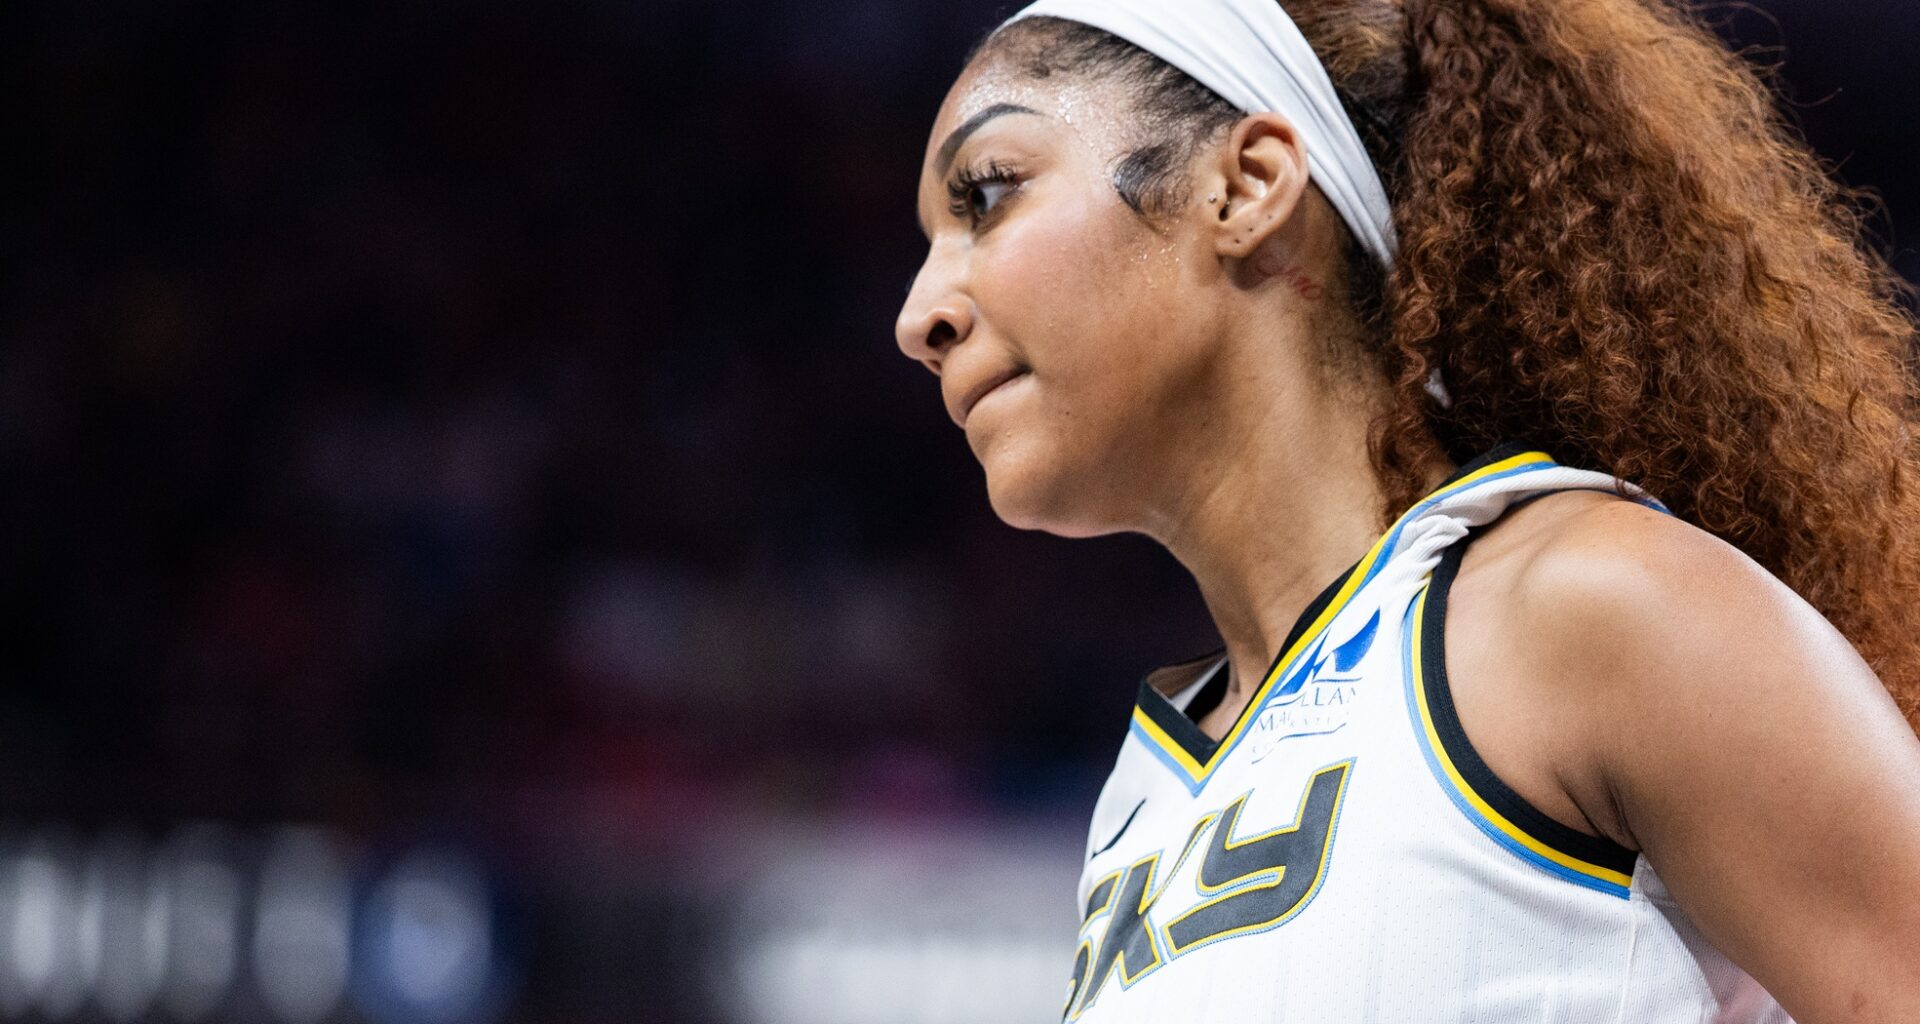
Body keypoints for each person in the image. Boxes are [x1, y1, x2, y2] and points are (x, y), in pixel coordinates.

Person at [892, 0, 1920, 1021]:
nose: (917, 317)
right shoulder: (1142, 800)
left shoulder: (1590, 609)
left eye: (988, 195)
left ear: (1246, 187)